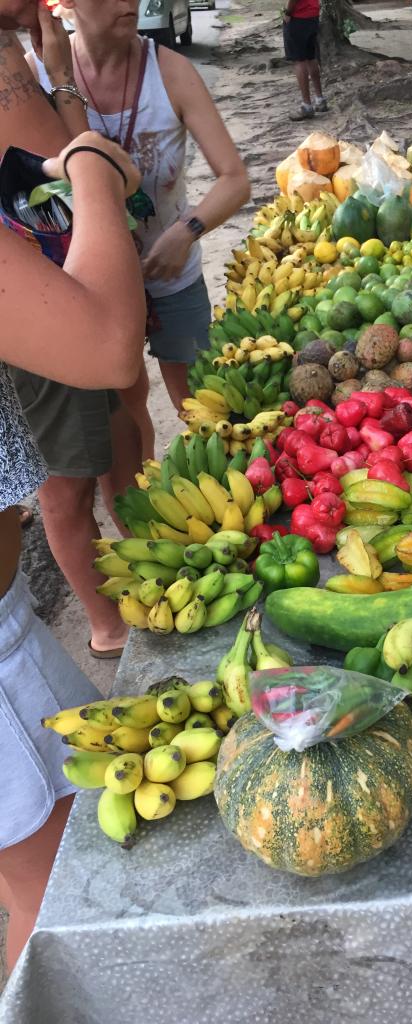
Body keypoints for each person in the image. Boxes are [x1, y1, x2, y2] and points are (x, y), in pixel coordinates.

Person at [0, 4, 145, 978]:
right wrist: (92, 161)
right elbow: (102, 339)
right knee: (55, 913)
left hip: (10, 625)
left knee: (59, 864)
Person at [29, 0, 251, 419]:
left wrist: (185, 232)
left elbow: (234, 179)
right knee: (122, 420)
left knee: (202, 410)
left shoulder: (169, 72)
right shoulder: (40, 72)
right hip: (86, 285)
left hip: (169, 274)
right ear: (67, 4)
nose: (126, 2)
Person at [0, 21, 143, 661]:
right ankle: (107, 625)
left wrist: (57, 77)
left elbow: (46, 172)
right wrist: (92, 163)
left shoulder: (14, 46)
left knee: (105, 447)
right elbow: (72, 169)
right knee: (64, 483)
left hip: (65, 286)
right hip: (46, 312)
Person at [283, 0, 328, 121]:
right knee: (310, 57)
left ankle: (307, 106)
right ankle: (320, 99)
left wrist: (288, 12)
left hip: (298, 17)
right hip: (312, 15)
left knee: (299, 60)